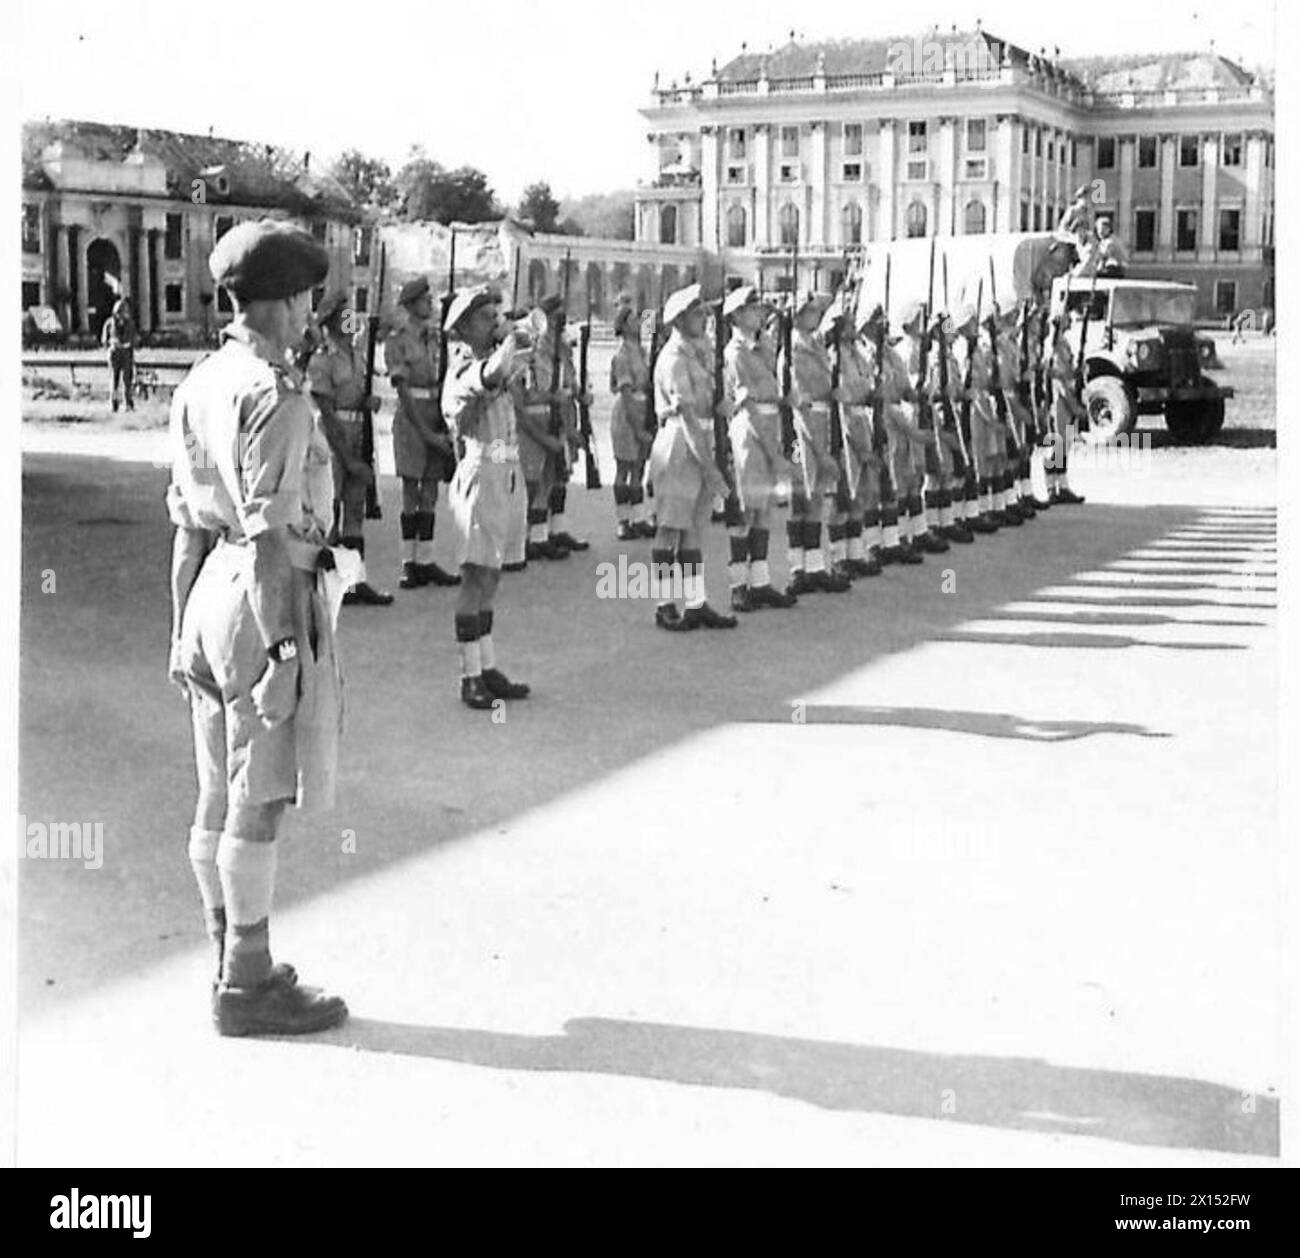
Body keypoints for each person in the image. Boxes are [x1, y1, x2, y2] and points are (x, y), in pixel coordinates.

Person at [166, 219, 349, 1037]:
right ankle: (246, 982)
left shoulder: (200, 381)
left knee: (216, 787)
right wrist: (282, 650)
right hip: (258, 597)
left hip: (208, 590)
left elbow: (186, 526)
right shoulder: (275, 394)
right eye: (307, 296)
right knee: (261, 796)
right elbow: (273, 537)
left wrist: (179, 634)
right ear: (280, 302)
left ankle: (226, 954)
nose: (312, 311)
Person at [442, 287, 534, 709]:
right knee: (475, 576)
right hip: (482, 474)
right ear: (462, 329)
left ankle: (487, 664)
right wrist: (512, 338)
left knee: (493, 574)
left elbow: (522, 358)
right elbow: (493, 375)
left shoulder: (494, 358)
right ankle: (469, 675)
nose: (493, 323)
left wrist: (522, 335)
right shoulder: (463, 369)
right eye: (484, 318)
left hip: (506, 471)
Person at [649, 283, 737, 631]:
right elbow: (685, 416)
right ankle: (664, 602)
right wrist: (711, 466)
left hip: (703, 440)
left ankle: (695, 601)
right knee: (671, 529)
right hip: (681, 446)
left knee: (695, 530)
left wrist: (723, 406)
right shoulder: (673, 359)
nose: (705, 319)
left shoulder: (702, 354)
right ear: (680, 319)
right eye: (698, 313)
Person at [306, 292, 393, 606]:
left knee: (355, 511)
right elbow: (327, 412)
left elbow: (358, 394)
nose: (350, 320)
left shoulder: (358, 354)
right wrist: (348, 458)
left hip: (360, 433)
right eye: (344, 316)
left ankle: (356, 581)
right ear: (329, 323)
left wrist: (368, 403)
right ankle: (327, 584)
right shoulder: (323, 359)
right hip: (335, 439)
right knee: (331, 510)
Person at [384, 276, 460, 589]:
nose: (430, 305)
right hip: (412, 421)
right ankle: (408, 562)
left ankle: (425, 560)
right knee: (411, 491)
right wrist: (425, 432)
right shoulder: (399, 339)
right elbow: (403, 390)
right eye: (425, 301)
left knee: (430, 491)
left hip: (435, 414)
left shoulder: (434, 338)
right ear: (412, 304)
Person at [608, 304, 655, 540]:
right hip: (628, 413)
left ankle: (638, 517)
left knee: (639, 466)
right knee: (624, 468)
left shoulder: (643, 352)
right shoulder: (623, 355)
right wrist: (637, 427)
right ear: (625, 325)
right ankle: (622, 520)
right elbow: (624, 392)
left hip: (643, 407)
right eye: (634, 319)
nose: (639, 323)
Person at [102, 297, 137, 412]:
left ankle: (128, 403)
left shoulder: (130, 324)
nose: (120, 315)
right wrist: (111, 345)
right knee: (114, 380)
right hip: (114, 354)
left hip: (127, 354)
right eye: (118, 312)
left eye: (122, 311)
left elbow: (134, 339)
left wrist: (128, 344)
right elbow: (104, 340)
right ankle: (114, 404)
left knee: (127, 380)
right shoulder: (109, 324)